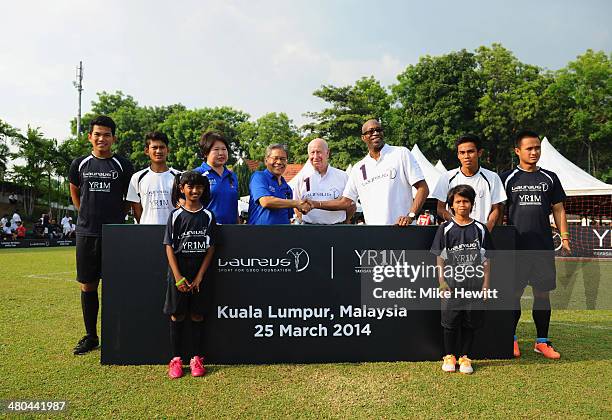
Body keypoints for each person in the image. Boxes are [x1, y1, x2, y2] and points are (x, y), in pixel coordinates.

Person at [500, 130, 570, 359]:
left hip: (542, 247)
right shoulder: (508, 177)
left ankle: (542, 341)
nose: (534, 152)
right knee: (513, 294)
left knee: (542, 295)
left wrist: (565, 236)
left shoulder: (549, 178)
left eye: (537, 148)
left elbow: (558, 208)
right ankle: (510, 338)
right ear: (517, 151)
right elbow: (499, 211)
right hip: (515, 248)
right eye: (529, 148)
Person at [68, 115, 134, 355]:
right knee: (88, 285)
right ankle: (91, 336)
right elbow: (75, 193)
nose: (101, 138)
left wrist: (116, 217)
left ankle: (118, 334)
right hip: (87, 232)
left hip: (115, 234)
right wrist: (85, 213)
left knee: (115, 286)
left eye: (106, 134)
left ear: (113, 138)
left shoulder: (123, 165)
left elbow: (129, 198)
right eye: (97, 134)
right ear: (90, 137)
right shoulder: (79, 164)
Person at [315, 119, 429, 225]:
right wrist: (315, 204)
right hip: (374, 234)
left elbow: (423, 188)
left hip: (403, 230)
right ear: (363, 138)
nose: (375, 133)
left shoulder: (401, 153)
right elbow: (345, 202)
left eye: (378, 130)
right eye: (370, 131)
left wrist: (411, 216)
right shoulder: (358, 168)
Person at [431, 185, 493, 374]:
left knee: (470, 323)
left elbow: (486, 260)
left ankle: (465, 357)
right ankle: (449, 356)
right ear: (451, 205)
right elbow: (439, 257)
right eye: (458, 201)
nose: (462, 205)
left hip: (474, 286)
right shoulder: (445, 229)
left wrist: (486, 285)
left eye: (466, 201)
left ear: (472, 204)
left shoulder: (480, 229)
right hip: (452, 286)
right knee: (450, 323)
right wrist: (441, 282)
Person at [164, 171, 216, 379]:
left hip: (199, 270)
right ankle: (176, 360)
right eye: (190, 187)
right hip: (179, 268)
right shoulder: (175, 215)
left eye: (199, 188)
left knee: (197, 314)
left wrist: (200, 276)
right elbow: (169, 246)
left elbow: (211, 247)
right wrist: (177, 277)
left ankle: (196, 358)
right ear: (182, 189)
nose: (195, 191)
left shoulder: (209, 216)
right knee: (177, 314)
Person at [432, 134, 506, 231]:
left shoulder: (492, 177)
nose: (466, 156)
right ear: (458, 155)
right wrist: (457, 224)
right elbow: (440, 208)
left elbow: (496, 209)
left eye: (470, 152)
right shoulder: (447, 177)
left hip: (482, 233)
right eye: (462, 152)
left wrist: (488, 226)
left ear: (479, 153)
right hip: (455, 233)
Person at [292, 138, 354, 224]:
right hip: (309, 229)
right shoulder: (301, 178)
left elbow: (351, 205)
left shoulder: (343, 176)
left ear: (327, 153)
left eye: (319, 152)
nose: (315, 156)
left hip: (337, 229)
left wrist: (345, 222)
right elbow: (296, 205)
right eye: (312, 152)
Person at [248, 144, 311, 225]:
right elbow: (266, 202)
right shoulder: (259, 177)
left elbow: (288, 217)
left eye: (283, 159)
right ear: (266, 160)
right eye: (275, 158)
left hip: (282, 235)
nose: (279, 162)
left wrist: (302, 208)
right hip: (258, 234)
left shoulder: (287, 188)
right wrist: (297, 203)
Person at [127, 131, 180, 224]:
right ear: (147, 151)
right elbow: (137, 209)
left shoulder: (179, 177)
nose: (158, 151)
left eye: (162, 147)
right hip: (146, 233)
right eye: (154, 148)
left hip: (172, 233)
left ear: (168, 150)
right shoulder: (137, 177)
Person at [194, 131, 239, 224]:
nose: (221, 153)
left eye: (224, 149)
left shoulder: (232, 176)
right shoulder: (197, 174)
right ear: (205, 152)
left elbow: (234, 205)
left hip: (231, 231)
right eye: (216, 149)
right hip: (206, 230)